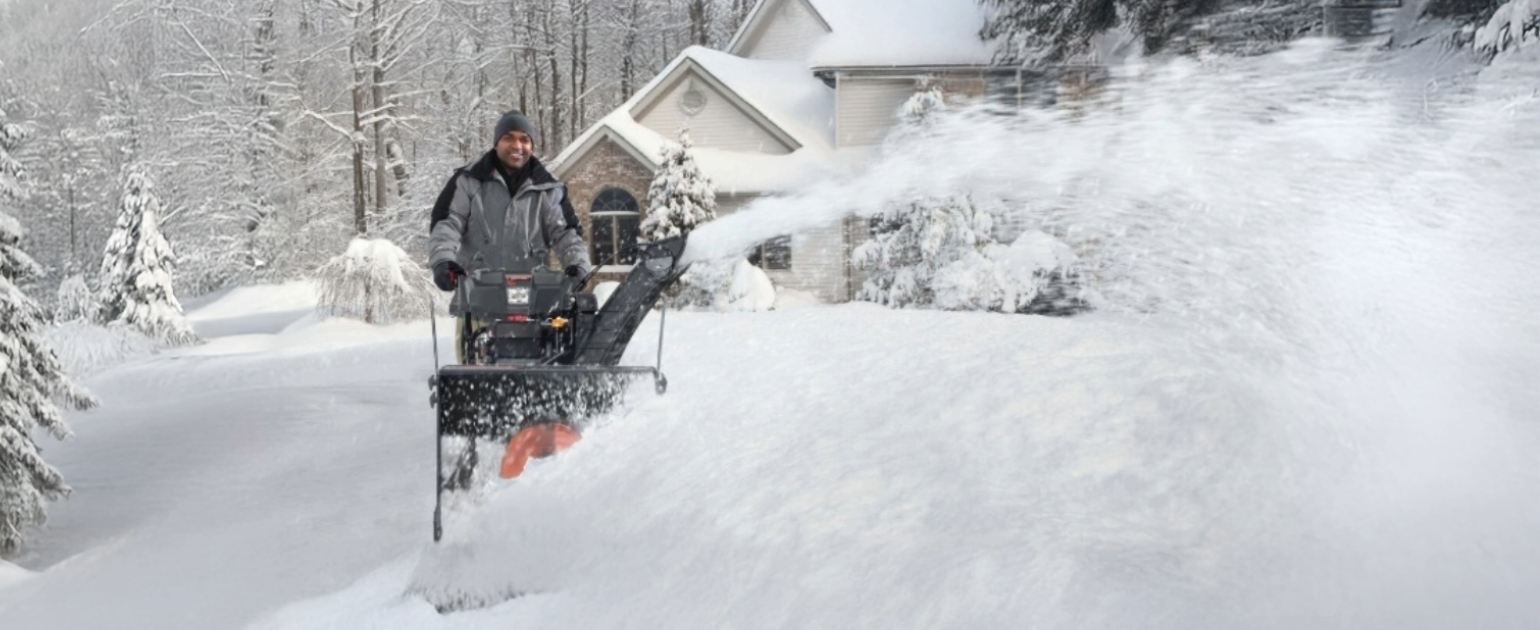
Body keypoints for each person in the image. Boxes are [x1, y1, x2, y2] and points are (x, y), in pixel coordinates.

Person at [428, 109, 593, 362]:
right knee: (473, 366)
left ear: (532, 145)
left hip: (535, 300)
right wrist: (443, 261)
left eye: (524, 139)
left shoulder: (549, 189)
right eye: (509, 138)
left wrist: (577, 266)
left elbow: (566, 234)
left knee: (544, 360)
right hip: (479, 295)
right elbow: (448, 222)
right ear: (496, 142)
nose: (517, 146)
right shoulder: (468, 181)